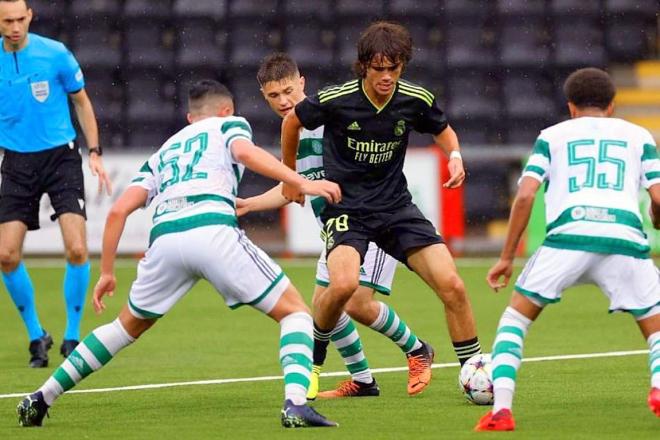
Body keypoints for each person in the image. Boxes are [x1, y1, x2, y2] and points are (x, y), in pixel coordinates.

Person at [16, 80, 339, 428]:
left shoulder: (163, 152)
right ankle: (295, 404)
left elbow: (117, 212)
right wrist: (301, 182)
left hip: (164, 239)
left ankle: (42, 396)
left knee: (124, 327)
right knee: (295, 313)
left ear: (189, 117)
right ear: (226, 110)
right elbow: (245, 153)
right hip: (212, 227)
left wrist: (107, 273)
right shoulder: (230, 124)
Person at [279, 21, 482, 392]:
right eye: (378, 69)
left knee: (453, 285)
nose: (387, 76)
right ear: (363, 66)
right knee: (341, 288)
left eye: (394, 68)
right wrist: (290, 177)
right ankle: (314, 363)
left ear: (402, 65)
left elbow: (442, 128)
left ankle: (475, 372)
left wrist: (454, 155)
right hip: (348, 211)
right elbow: (292, 121)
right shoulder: (336, 99)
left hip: (395, 208)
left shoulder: (414, 98)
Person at [239, 52, 435, 399]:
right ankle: (362, 381)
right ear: (263, 97)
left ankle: (417, 349)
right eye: (274, 96)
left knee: (356, 303)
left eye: (289, 91)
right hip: (339, 231)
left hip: (373, 221)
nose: (284, 101)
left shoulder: (334, 117)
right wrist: (250, 205)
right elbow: (294, 187)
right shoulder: (294, 132)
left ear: (303, 83)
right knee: (326, 304)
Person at [474, 67, 660, 432]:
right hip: (623, 235)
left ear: (571, 106)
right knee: (656, 328)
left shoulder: (552, 136)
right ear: (612, 105)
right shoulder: (640, 136)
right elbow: (657, 197)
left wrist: (507, 257)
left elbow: (526, 194)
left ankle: (501, 411)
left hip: (568, 235)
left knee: (515, 319)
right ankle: (658, 389)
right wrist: (656, 219)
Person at [0, 0, 112, 368]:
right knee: (6, 255)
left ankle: (72, 336)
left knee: (77, 249)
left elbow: (81, 101)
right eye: (7, 21)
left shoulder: (55, 54)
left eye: (20, 19)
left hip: (61, 157)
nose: (15, 27)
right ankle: (37, 335)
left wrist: (94, 151)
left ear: (30, 16)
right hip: (16, 161)